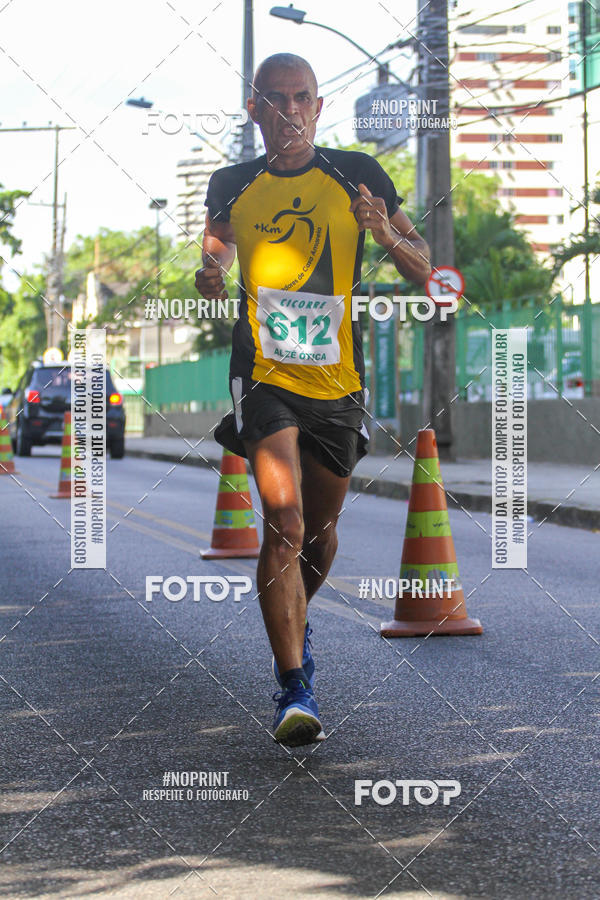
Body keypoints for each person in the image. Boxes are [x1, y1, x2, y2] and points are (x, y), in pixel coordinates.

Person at [195, 53, 431, 747]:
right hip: (264, 375)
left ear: (319, 106)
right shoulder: (233, 183)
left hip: (336, 382)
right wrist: (210, 274)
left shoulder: (357, 174)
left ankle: (293, 613)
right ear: (255, 109)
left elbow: (439, 282)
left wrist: (384, 231)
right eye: (276, 99)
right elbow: (213, 258)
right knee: (286, 523)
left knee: (321, 535)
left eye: (302, 98)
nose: (290, 111)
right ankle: (294, 682)